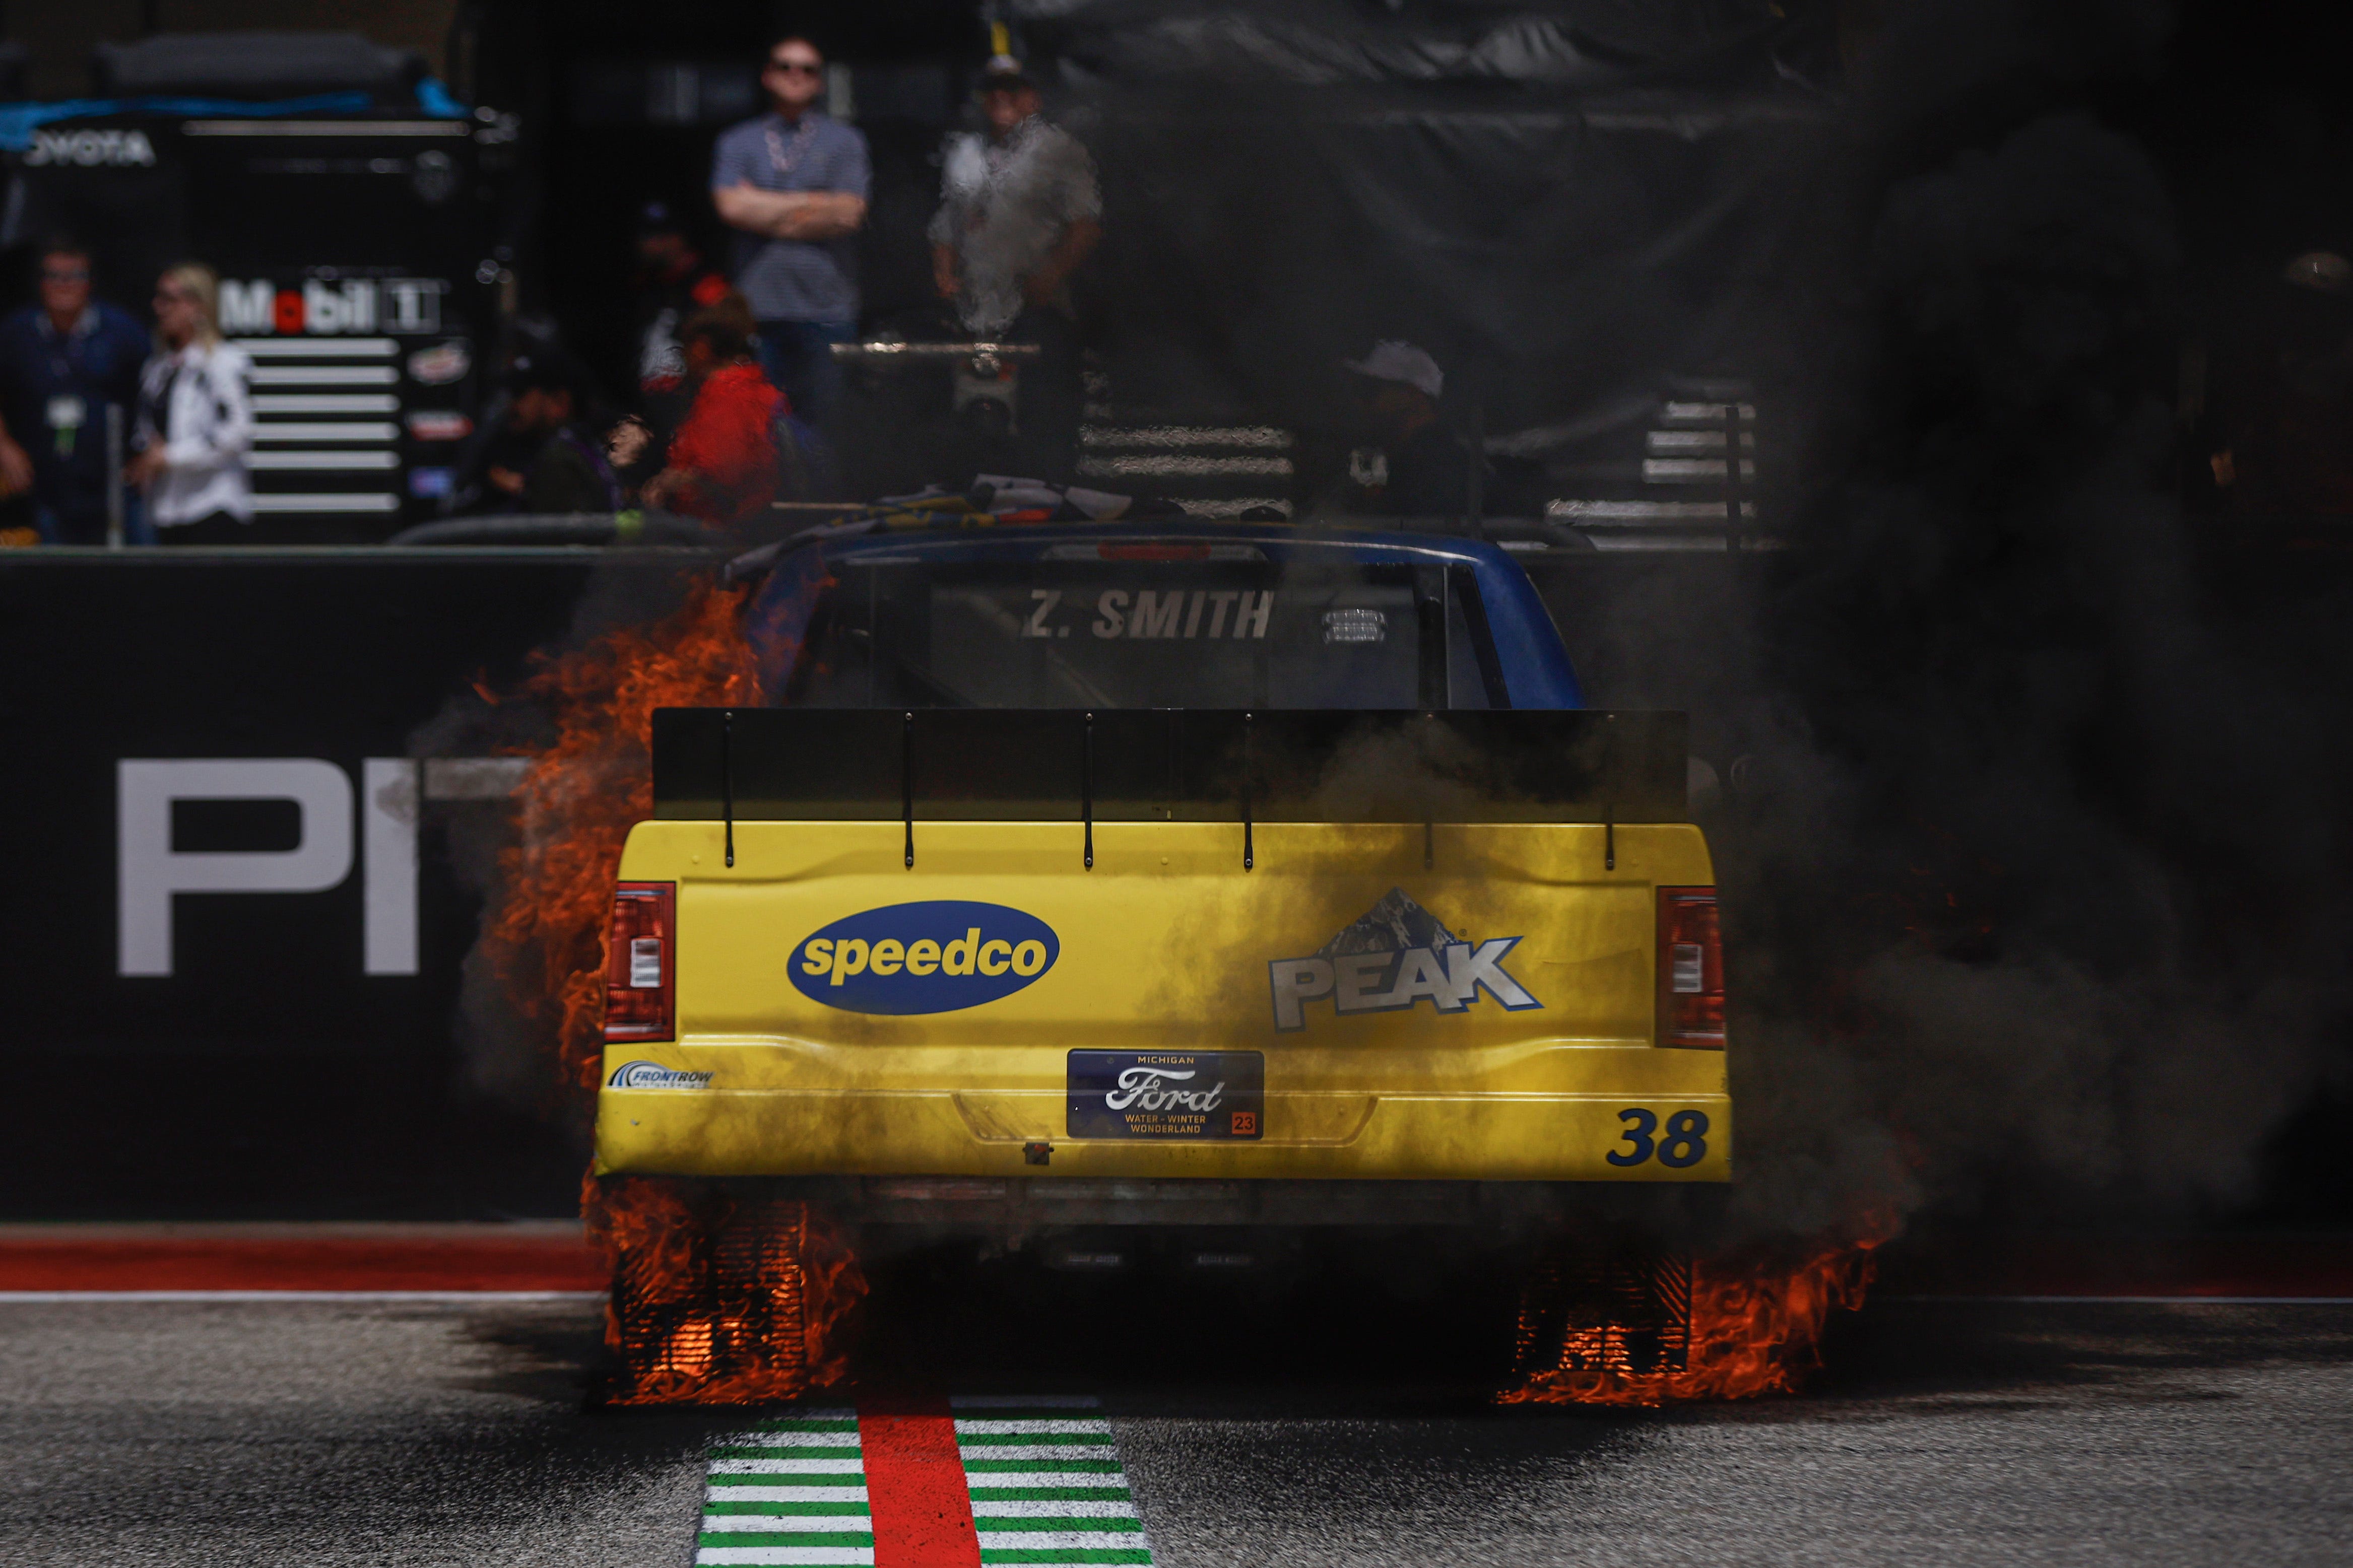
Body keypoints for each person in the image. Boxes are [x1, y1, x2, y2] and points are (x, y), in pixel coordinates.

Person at [929, 55, 1101, 482]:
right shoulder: (965, 152)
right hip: (974, 315)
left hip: (1036, 308)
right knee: (971, 424)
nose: (1002, 98)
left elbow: (1086, 225)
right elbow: (945, 224)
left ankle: (1048, 510)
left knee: (1046, 426)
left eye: (1013, 89)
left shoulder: (1060, 150)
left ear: (1033, 97)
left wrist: (1052, 274)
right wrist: (944, 272)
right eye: (993, 90)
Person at [709, 35, 870, 432]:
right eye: (785, 66)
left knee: (827, 428)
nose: (796, 75)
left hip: (827, 309)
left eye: (808, 69)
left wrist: (761, 205)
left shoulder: (846, 141)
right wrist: (815, 204)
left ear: (819, 81)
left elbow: (850, 214)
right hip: (757, 309)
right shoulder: (737, 141)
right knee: (756, 428)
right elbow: (729, 207)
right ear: (768, 75)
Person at [0, 239, 153, 544]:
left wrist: (149, 450)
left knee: (130, 575)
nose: (64, 285)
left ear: (90, 283)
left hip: (113, 481)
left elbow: (155, 390)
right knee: (54, 581)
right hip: (44, 483)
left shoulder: (123, 332)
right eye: (55, 276)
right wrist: (4, 445)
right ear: (41, 283)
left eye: (75, 276)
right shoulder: (16, 333)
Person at [127, 262, 253, 544]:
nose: (159, 307)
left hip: (213, 507)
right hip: (166, 508)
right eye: (158, 298)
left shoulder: (224, 363)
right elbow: (146, 425)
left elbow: (237, 432)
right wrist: (147, 454)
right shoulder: (158, 368)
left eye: (169, 299)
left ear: (197, 305)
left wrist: (171, 457)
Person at [642, 303, 784, 528]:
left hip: (724, 531)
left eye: (685, 347)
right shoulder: (756, 388)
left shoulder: (727, 395)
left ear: (701, 348)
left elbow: (723, 471)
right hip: (750, 525)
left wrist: (672, 481)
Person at [1334, 340, 1478, 517]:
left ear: (1411, 394)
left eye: (1371, 391)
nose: (1360, 403)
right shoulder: (1393, 458)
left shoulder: (1436, 466)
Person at [630, 200, 732, 439]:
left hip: (696, 404)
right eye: (645, 236)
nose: (648, 244)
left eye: (657, 236)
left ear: (678, 238)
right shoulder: (648, 284)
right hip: (655, 402)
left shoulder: (708, 286)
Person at [500, 354, 621, 514]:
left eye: (519, 394)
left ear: (559, 402)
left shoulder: (560, 459)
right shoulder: (591, 446)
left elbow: (553, 535)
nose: (511, 406)